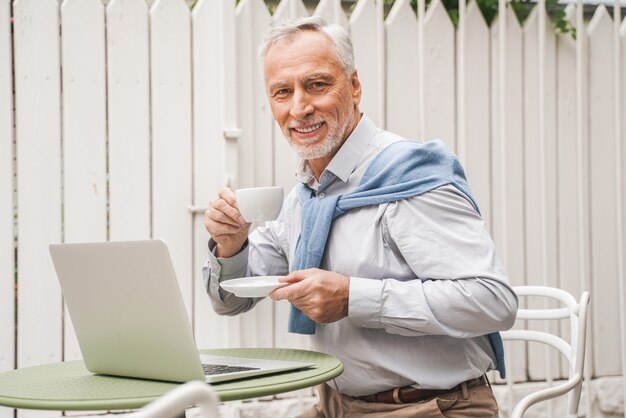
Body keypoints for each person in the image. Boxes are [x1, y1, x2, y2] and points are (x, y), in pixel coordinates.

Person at [203, 16, 517, 418]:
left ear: (354, 86)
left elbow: (493, 302)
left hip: (430, 407)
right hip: (335, 406)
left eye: (316, 84)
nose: (299, 107)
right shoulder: (307, 197)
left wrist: (354, 297)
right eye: (282, 92)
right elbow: (230, 302)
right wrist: (231, 246)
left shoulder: (410, 174)